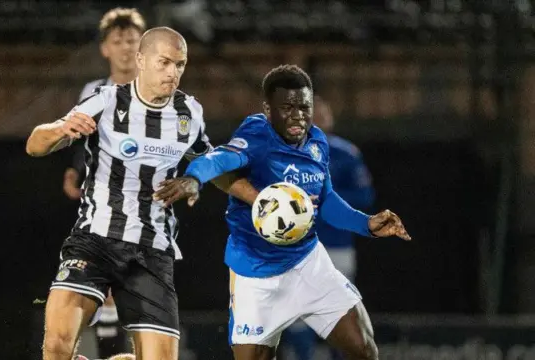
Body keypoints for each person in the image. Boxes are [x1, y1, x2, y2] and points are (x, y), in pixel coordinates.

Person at [154, 64, 411, 360]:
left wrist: (366, 223)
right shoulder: (257, 134)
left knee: (364, 348)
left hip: (307, 263)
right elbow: (218, 159)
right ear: (268, 109)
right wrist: (193, 178)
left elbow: (324, 199)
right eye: (287, 108)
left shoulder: (317, 142)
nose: (298, 116)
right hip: (257, 273)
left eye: (304, 107)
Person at [27, 27, 211, 360]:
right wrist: (59, 130)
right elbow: (34, 145)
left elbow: (208, 160)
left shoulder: (189, 113)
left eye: (180, 64)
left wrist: (195, 180)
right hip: (95, 240)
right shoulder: (106, 100)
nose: (173, 72)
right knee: (56, 347)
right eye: (165, 62)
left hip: (152, 251)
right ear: (141, 60)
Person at [61, 8, 146, 359]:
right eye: (118, 41)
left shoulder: (157, 90)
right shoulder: (94, 90)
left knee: (138, 291)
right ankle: (109, 353)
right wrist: (74, 170)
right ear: (105, 49)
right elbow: (84, 136)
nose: (126, 47)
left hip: (145, 203)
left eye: (132, 40)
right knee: (102, 282)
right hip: (102, 201)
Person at [280, 96, 375, 360]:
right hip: (298, 248)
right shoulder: (286, 154)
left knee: (339, 316)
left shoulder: (345, 153)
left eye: (323, 114)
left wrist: (324, 198)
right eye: (313, 115)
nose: (319, 119)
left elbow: (365, 197)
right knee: (297, 316)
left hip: (336, 247)